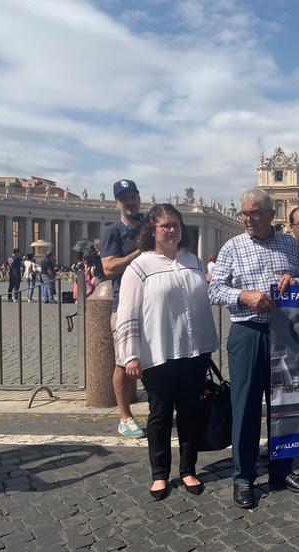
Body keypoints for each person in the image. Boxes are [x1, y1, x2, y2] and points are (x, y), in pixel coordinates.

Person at [209, 189, 299, 510]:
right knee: (245, 407)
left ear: (271, 215)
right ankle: (243, 476)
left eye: (254, 213)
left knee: (284, 405)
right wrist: (244, 296)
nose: (248, 219)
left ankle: (282, 469)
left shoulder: (289, 244)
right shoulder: (232, 246)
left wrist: (294, 282)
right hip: (248, 331)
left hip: (284, 332)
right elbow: (214, 289)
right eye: (244, 214)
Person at [116, 204, 219, 500]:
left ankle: (188, 469)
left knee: (190, 413)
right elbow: (127, 312)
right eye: (166, 226)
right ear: (152, 231)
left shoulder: (193, 261)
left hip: (194, 351)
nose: (172, 230)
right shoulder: (140, 265)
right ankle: (159, 474)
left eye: (176, 224)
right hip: (157, 352)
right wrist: (130, 355)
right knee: (159, 415)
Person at [100, 179, 146, 439]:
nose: (130, 202)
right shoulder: (112, 231)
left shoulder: (146, 227)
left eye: (133, 196)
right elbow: (108, 268)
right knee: (123, 361)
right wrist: (136, 254)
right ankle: (124, 417)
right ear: (117, 202)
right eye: (125, 197)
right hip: (124, 303)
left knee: (147, 359)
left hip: (149, 302)